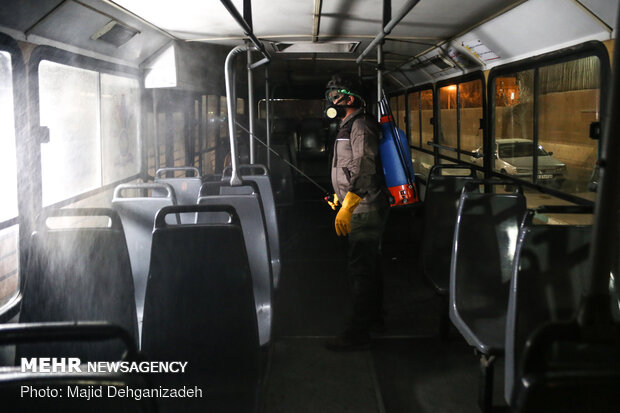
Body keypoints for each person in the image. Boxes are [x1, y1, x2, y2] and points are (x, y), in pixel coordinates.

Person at [324, 74, 390, 351]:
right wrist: (338, 197)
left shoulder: (361, 125)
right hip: (355, 204)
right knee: (367, 266)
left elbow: (365, 167)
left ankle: (357, 333)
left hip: (365, 208)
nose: (330, 102)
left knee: (361, 269)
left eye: (334, 96)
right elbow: (346, 166)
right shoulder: (348, 124)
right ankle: (373, 318)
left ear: (349, 99)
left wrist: (349, 203)